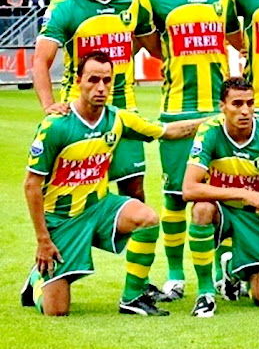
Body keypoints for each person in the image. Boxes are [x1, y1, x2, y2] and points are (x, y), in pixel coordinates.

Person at [21, 51, 206, 316]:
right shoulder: (56, 126)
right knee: (56, 311)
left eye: (107, 80)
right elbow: (31, 186)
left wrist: (217, 120)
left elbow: (169, 132)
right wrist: (42, 239)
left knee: (147, 217)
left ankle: (132, 297)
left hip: (99, 208)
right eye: (93, 79)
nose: (101, 87)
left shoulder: (118, 118)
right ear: (78, 80)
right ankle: (37, 282)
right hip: (62, 219)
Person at [32, 0, 161, 216]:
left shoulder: (136, 2)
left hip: (123, 110)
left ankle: (133, 258)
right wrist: (48, 105)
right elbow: (40, 62)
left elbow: (156, 50)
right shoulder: (66, 6)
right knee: (72, 197)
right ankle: (58, 254)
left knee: (136, 194)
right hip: (78, 112)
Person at [147, 0, 242, 302]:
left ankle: (220, 273)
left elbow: (237, 38)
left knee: (218, 194)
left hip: (217, 108)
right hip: (177, 108)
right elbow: (153, 46)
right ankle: (174, 275)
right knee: (173, 195)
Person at [182, 78, 259, 317]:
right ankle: (205, 293)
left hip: (253, 217)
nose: (245, 110)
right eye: (236, 104)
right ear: (222, 106)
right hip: (220, 210)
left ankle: (233, 270)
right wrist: (243, 193)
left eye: (250, 103)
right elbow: (189, 189)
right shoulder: (210, 131)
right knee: (201, 209)